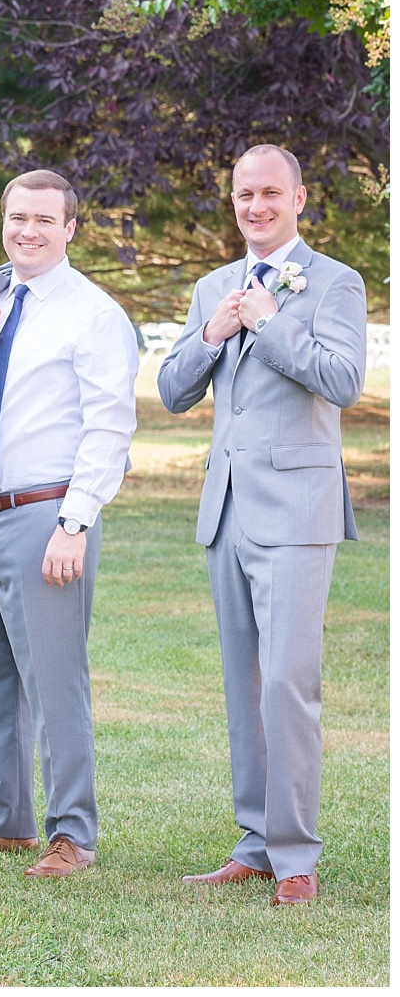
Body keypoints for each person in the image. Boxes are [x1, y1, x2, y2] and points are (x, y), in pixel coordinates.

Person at [157, 144, 365, 906]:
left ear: (299, 198)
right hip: (227, 510)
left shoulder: (336, 281)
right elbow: (173, 391)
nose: (256, 207)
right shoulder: (214, 283)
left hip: (298, 512)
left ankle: (297, 854)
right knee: (244, 687)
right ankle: (253, 841)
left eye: (270, 194)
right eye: (245, 194)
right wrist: (210, 334)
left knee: (287, 684)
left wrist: (273, 321)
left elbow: (343, 381)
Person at [0, 169, 137, 878]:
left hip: (47, 514)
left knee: (53, 678)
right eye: (18, 217)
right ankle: (7, 819)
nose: (28, 231)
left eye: (45, 219)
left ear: (71, 227)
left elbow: (109, 427)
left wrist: (74, 524)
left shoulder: (93, 314)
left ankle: (71, 832)